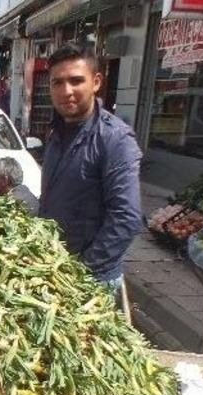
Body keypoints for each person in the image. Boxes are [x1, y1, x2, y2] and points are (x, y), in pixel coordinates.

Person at [38, 43, 142, 291]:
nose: (66, 91)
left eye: (76, 80)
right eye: (57, 82)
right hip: (55, 266)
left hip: (89, 279)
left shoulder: (114, 139)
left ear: (95, 82)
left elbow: (126, 217)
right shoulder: (57, 133)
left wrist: (81, 272)